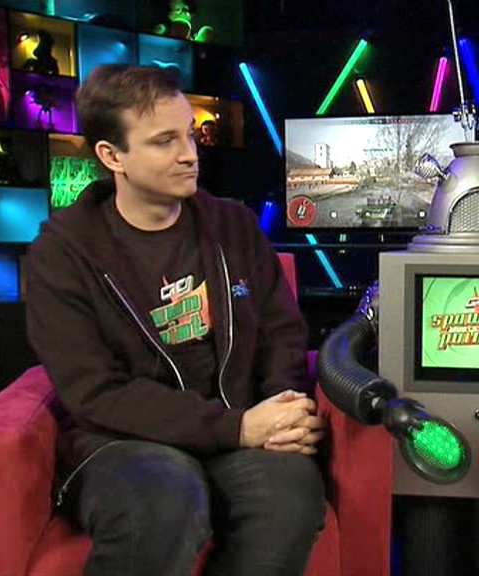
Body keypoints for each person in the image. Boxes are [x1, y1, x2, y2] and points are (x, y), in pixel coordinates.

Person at [25, 64, 326, 576]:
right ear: (112, 156)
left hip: (239, 424)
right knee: (166, 500)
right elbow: (96, 391)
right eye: (165, 141)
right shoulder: (62, 254)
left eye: (189, 134)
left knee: (290, 494)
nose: (190, 153)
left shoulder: (234, 225)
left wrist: (282, 411)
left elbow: (282, 332)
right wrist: (235, 427)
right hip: (122, 443)